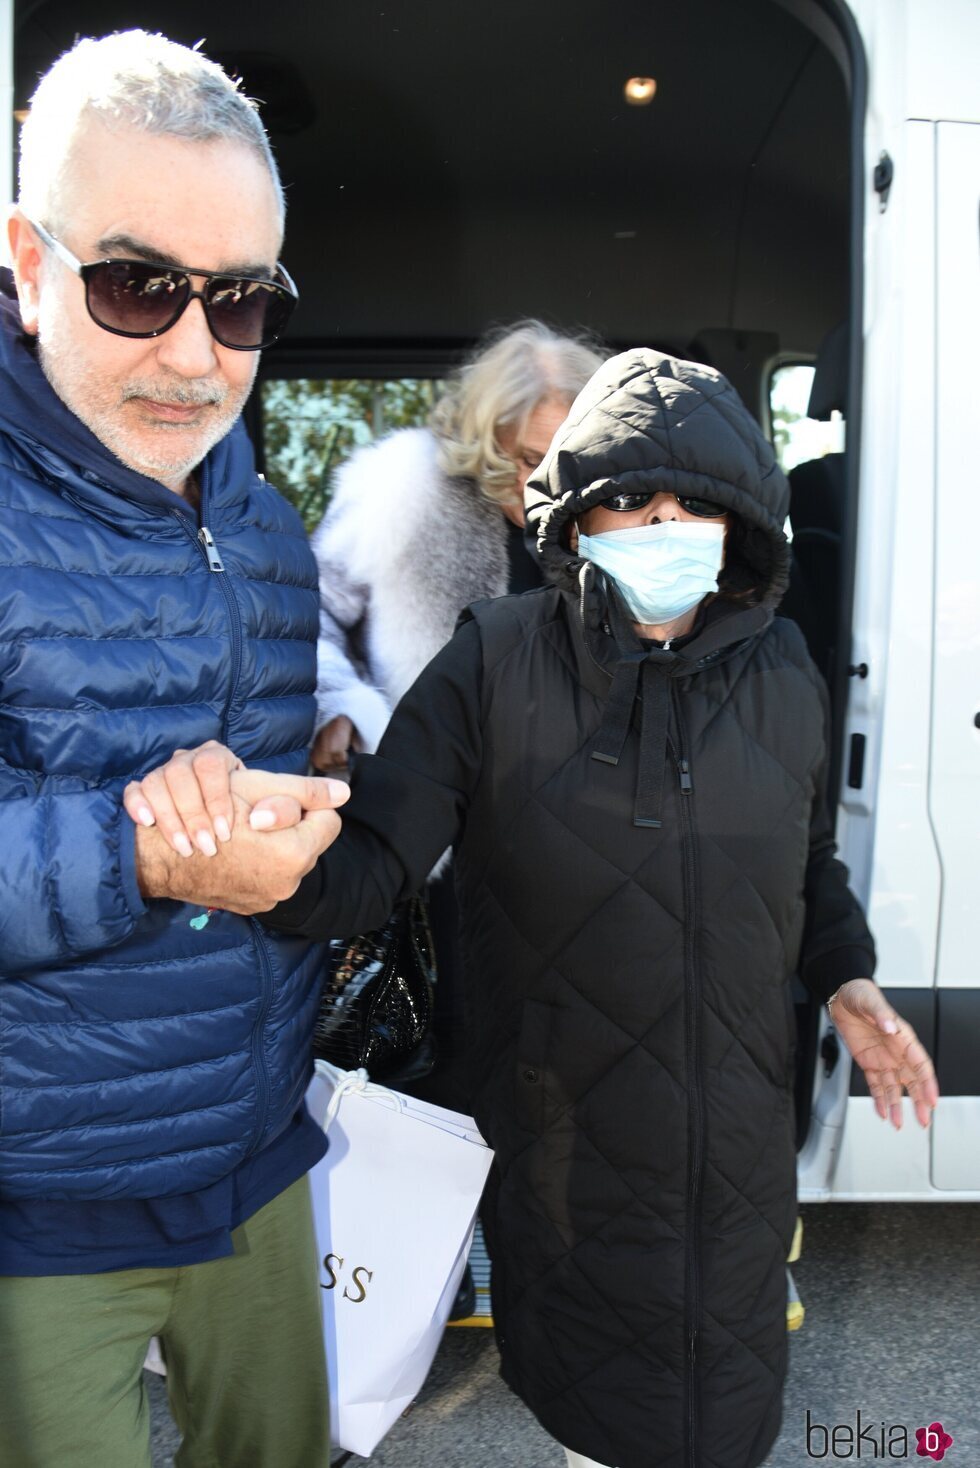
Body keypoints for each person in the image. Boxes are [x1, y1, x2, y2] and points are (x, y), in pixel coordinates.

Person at [129, 349, 939, 1468]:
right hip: (568, 1156)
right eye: (625, 502)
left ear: (737, 522)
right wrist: (240, 858)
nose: (660, 526)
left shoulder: (782, 670)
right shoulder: (494, 660)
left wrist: (846, 980)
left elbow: (807, 866)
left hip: (738, 1158)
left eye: (689, 504)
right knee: (605, 1427)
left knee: (729, 1419)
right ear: (575, 520)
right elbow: (371, 864)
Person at [0, 31, 348, 1468]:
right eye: (138, 286)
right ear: (26, 265)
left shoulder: (266, 528)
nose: (195, 354)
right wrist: (141, 846)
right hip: (37, 1205)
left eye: (241, 300)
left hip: (258, 1165)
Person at [310, 320, 603, 1121]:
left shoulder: (617, 519)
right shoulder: (403, 492)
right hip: (433, 849)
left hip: (570, 857)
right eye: (523, 455)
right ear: (486, 435)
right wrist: (342, 707)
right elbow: (305, 619)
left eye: (566, 456)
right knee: (439, 1075)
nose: (543, 478)